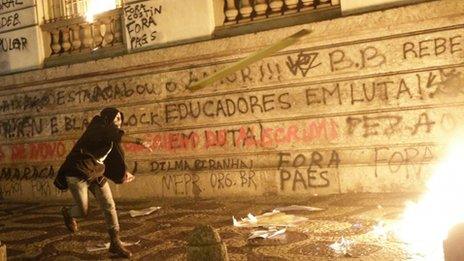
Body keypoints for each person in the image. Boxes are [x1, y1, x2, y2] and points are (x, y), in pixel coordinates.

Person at [53, 107, 152, 258]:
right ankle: (67, 212)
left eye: (120, 119)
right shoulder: (98, 125)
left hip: (95, 172)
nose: (119, 122)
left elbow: (116, 159)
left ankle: (115, 243)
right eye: (116, 118)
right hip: (78, 170)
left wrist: (123, 174)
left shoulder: (111, 139)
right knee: (83, 210)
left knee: (109, 205)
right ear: (108, 118)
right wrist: (140, 141)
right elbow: (115, 135)